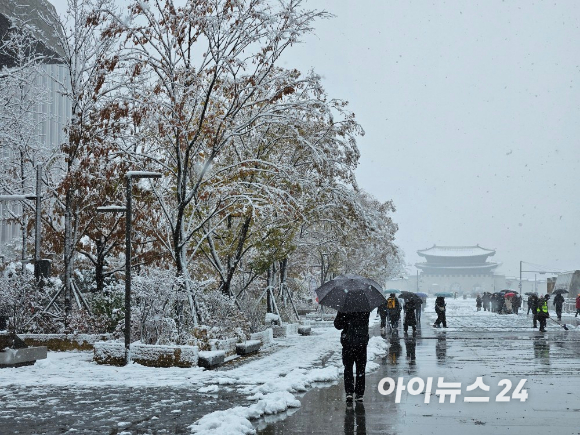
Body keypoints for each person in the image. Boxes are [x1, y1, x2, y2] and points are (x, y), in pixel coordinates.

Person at [334, 310, 370, 402]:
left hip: (348, 343)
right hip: (361, 343)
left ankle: (349, 392)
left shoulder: (345, 308)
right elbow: (365, 324)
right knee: (361, 369)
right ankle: (359, 393)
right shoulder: (365, 309)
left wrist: (344, 318)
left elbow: (337, 325)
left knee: (348, 368)